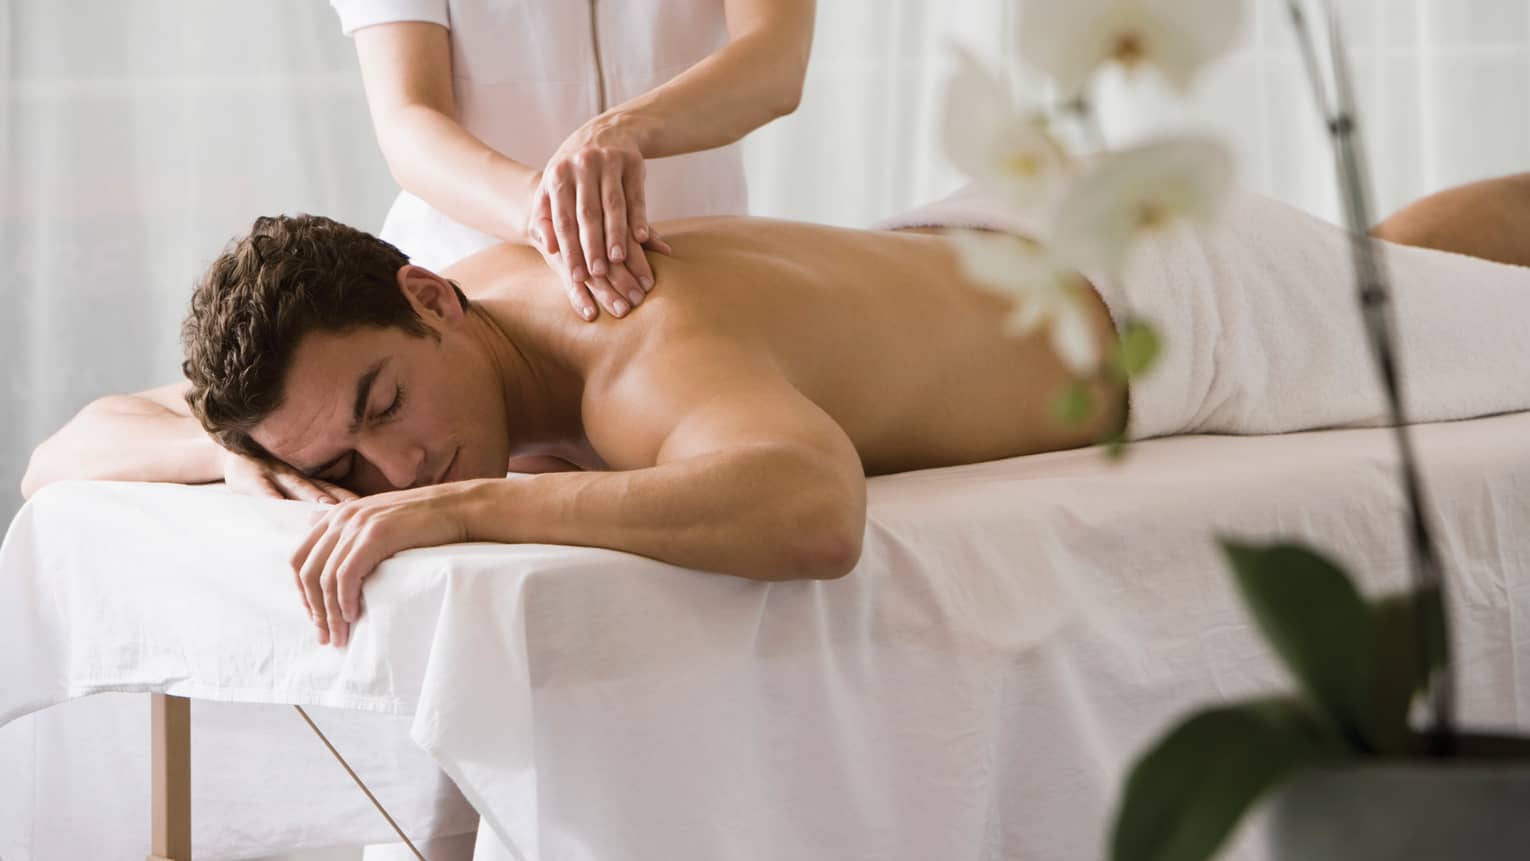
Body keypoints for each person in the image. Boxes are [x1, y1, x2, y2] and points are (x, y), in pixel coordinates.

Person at [21, 176, 1530, 653]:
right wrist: (260, 465)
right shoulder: (408, 343)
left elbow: (812, 512)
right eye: (342, 459)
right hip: (1002, 247)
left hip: (1196, 314)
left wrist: (464, 507)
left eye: (384, 412)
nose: (391, 463)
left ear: (431, 299)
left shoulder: (642, 354)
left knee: (1466, 302)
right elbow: (69, 446)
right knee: (1395, 244)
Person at [332, 0, 815, 320]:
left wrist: (620, 130)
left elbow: (775, 59)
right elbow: (408, 119)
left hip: (689, 286)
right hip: (471, 299)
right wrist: (543, 214)